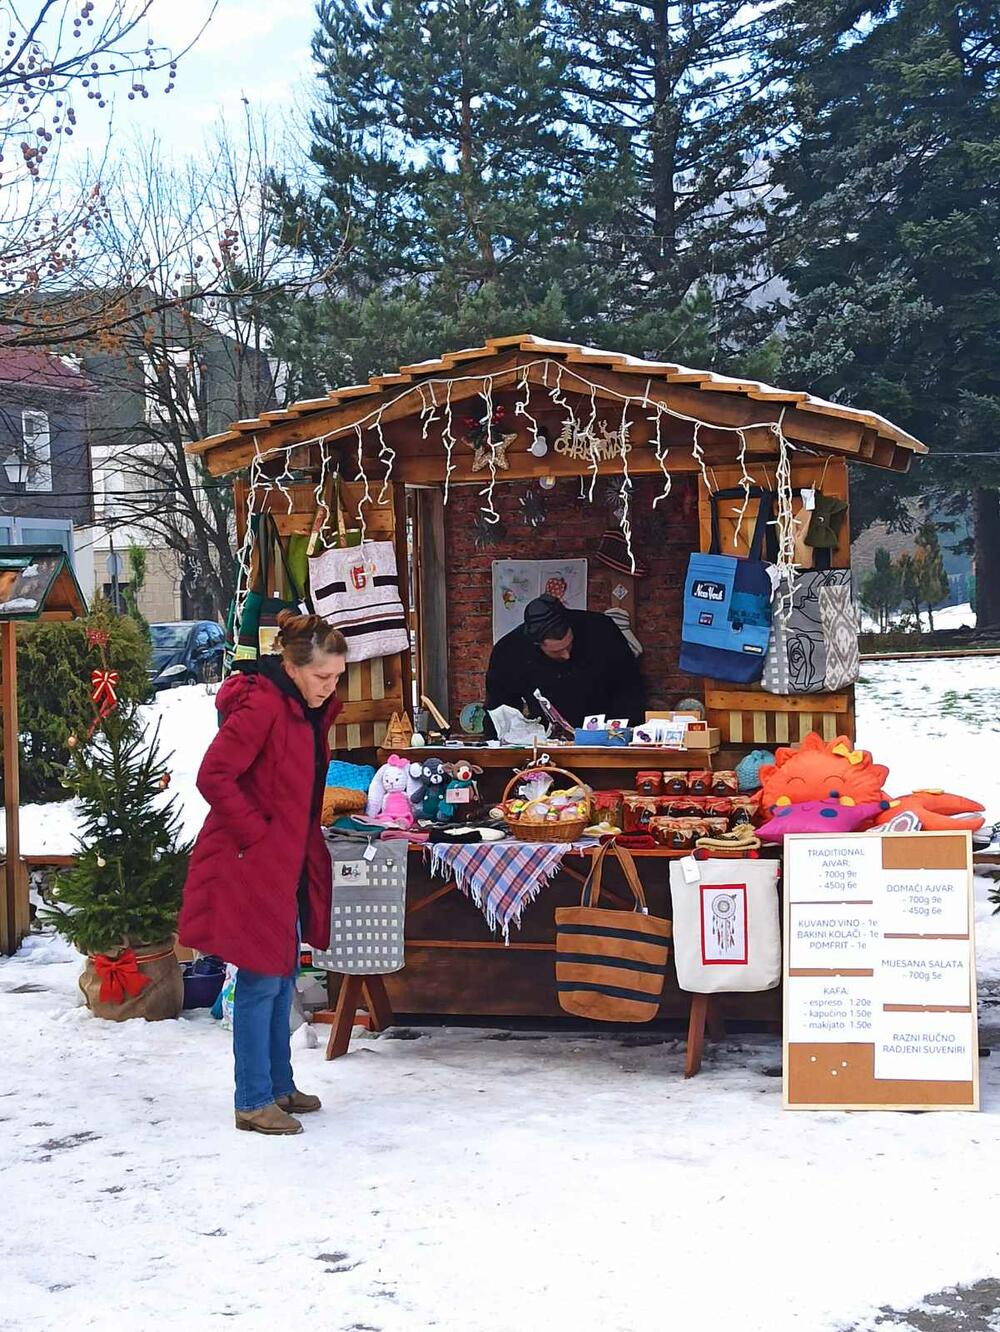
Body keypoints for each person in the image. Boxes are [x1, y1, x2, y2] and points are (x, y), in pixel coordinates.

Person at [178, 610, 347, 1136]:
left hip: (286, 860)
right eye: (323, 677)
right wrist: (257, 833)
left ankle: (277, 1085)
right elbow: (214, 776)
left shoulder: (303, 709)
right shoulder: (264, 706)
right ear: (294, 667)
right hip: (251, 860)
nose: (330, 686)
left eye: (337, 677)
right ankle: (252, 1099)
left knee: (281, 976)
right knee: (259, 980)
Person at [485, 594, 645, 731]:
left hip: (607, 733)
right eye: (556, 652)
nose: (567, 655)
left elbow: (630, 687)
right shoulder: (509, 650)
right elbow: (499, 709)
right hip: (547, 740)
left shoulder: (600, 629)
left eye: (569, 646)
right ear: (537, 644)